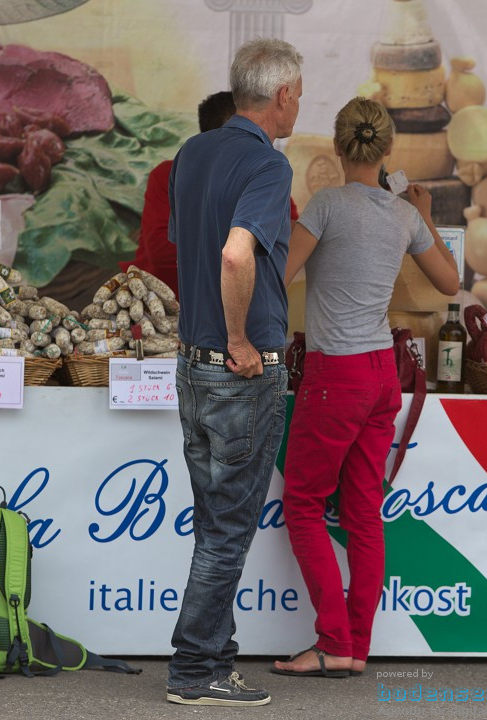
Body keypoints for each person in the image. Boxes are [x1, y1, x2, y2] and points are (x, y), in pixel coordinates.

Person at [273, 97, 459, 678]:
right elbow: (451, 283)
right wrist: (422, 214)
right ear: (387, 151)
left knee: (303, 504)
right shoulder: (403, 217)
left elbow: (281, 277)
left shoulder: (327, 205)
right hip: (382, 374)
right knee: (363, 514)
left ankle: (332, 641)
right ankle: (355, 646)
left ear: (337, 146)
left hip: (336, 375)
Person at [164, 37, 303, 707]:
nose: (299, 104)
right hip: (237, 372)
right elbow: (234, 253)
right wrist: (243, 336)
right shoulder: (269, 167)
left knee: (213, 522)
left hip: (192, 368)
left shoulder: (192, 153)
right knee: (226, 532)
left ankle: (214, 657)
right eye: (299, 93)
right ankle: (194, 670)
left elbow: (187, 246)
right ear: (281, 96)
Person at [126, 92, 298, 296]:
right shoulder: (168, 175)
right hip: (165, 305)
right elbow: (162, 254)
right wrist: (245, 247)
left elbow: (291, 240)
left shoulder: (265, 175)